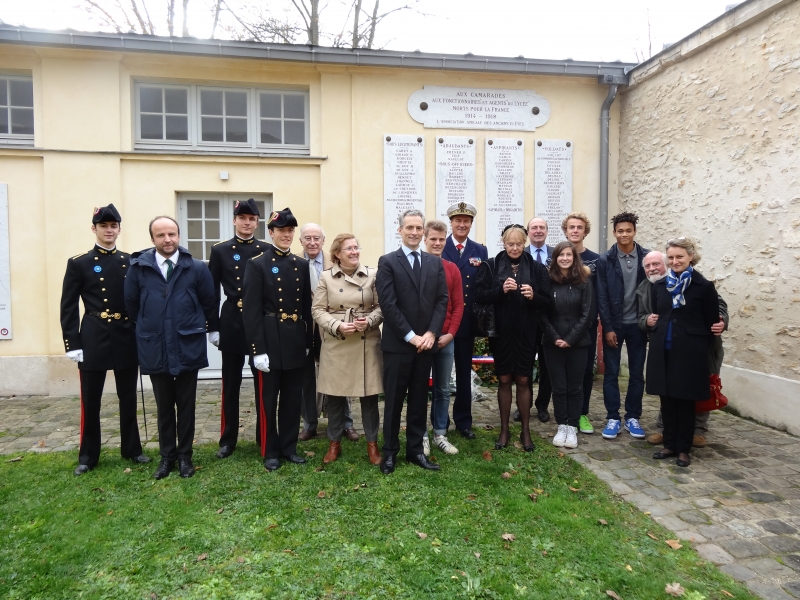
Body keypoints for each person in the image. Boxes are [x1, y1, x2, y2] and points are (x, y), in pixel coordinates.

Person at [125, 216, 219, 480]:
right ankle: (167, 457)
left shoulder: (197, 268)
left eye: (172, 234)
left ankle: (185, 456)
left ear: (179, 236)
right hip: (155, 345)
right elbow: (132, 305)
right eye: (161, 235)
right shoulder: (139, 268)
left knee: (186, 406)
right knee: (164, 406)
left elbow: (208, 302)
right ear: (152, 239)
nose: (167, 240)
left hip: (186, 343)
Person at [60, 204, 149, 476]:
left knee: (127, 397)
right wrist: (71, 343)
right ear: (94, 229)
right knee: (91, 399)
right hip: (94, 335)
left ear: (119, 229)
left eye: (113, 226)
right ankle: (88, 455)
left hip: (124, 334)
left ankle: (132, 449)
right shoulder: (79, 263)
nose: (109, 230)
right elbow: (68, 306)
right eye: (104, 226)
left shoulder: (129, 262)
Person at [376, 209, 448, 474]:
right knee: (394, 401)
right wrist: (411, 336)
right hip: (398, 345)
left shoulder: (434, 263)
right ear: (400, 230)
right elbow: (388, 303)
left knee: (419, 400)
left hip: (426, 345)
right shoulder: (388, 262)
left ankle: (416, 451)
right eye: (410, 228)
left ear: (424, 232)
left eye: (419, 228)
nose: (415, 232)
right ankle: (390, 453)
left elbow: (442, 300)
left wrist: (431, 333)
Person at [242, 207, 312, 472]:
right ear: (270, 233)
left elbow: (306, 306)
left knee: (294, 398)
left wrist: (308, 341)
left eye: (290, 231)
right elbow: (250, 311)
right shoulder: (257, 264)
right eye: (281, 230)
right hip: (269, 339)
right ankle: (270, 450)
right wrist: (257, 349)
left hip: (294, 338)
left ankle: (289, 447)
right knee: (268, 399)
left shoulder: (301, 264)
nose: (287, 235)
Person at [637, 250, 728, 448]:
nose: (652, 269)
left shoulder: (694, 282)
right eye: (648, 266)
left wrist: (722, 322)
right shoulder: (648, 287)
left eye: (656, 264)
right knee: (668, 390)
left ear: (666, 264)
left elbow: (717, 306)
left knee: (696, 388)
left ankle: (698, 430)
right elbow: (643, 315)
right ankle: (666, 431)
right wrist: (647, 320)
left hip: (696, 346)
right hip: (666, 345)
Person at [474, 224, 551, 452]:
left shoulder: (537, 269)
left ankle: (526, 430)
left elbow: (548, 302)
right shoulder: (491, 265)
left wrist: (533, 296)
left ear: (525, 243)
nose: (515, 248)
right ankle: (504, 429)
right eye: (510, 244)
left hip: (527, 332)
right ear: (503, 243)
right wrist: (501, 290)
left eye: (519, 244)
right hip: (501, 332)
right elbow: (479, 295)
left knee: (524, 380)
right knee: (505, 379)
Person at [312, 234, 384, 465]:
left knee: (369, 396)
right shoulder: (326, 278)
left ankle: (372, 445)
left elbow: (382, 306)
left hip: (366, 340)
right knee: (334, 395)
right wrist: (337, 325)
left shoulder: (372, 275)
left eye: (356, 247)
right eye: (349, 249)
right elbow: (318, 310)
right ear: (337, 254)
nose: (354, 252)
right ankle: (334, 444)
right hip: (338, 341)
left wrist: (370, 320)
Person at [207, 198, 266, 459]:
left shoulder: (266, 249)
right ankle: (228, 439)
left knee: (262, 382)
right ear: (234, 221)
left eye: (252, 219)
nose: (247, 223)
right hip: (231, 319)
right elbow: (211, 291)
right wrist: (212, 326)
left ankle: (263, 435)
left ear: (257, 222)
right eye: (242, 218)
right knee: (230, 383)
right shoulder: (220, 250)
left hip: (258, 322)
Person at [298, 223, 358, 442]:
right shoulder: (294, 262)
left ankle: (347, 423)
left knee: (340, 373)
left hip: (333, 327)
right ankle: (310, 423)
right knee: (306, 377)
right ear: (301, 241)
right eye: (307, 238)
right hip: (304, 329)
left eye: (316, 238)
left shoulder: (337, 263)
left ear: (323, 241)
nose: (312, 242)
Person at [596, 212, 650, 440]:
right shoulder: (605, 259)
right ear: (614, 233)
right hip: (615, 325)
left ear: (634, 231)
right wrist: (607, 327)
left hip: (639, 325)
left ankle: (632, 416)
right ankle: (612, 417)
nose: (624, 234)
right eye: (620, 231)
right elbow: (602, 297)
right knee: (612, 373)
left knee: (637, 373)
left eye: (628, 230)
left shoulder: (647, 258)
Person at [441, 202, 488, 441]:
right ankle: (440, 420)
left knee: (462, 373)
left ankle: (463, 421)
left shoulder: (480, 250)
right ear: (451, 223)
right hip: (443, 321)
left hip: (467, 322)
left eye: (466, 221)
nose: (462, 224)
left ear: (471, 223)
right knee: (440, 374)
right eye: (457, 220)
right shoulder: (440, 246)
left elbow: (482, 287)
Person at [540, 242, 593, 449]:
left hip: (578, 343)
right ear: (555, 258)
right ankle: (561, 424)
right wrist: (555, 337)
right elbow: (542, 313)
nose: (564, 258)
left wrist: (570, 339)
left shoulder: (584, 281)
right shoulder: (548, 281)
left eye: (568, 255)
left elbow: (587, 314)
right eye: (560, 255)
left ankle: (572, 427)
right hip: (552, 343)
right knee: (559, 387)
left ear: (574, 257)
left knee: (575, 387)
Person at [422, 220, 464, 456]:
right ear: (425, 239)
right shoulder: (417, 266)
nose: (438, 243)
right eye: (433, 239)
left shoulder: (452, 269)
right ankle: (421, 435)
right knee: (419, 388)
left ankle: (440, 432)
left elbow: (458, 305)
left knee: (443, 388)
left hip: (446, 339)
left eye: (441, 239)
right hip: (422, 339)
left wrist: (450, 334)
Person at [561, 212, 601, 435]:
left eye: (579, 227)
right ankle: (563, 413)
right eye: (571, 227)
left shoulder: (596, 260)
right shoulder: (557, 256)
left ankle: (582, 413)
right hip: (561, 325)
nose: (575, 230)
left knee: (584, 371)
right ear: (565, 230)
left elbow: (600, 293)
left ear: (585, 231)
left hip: (586, 326)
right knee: (561, 372)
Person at [521, 216, 553, 424]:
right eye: (534, 228)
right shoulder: (519, 255)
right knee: (524, 367)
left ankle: (542, 405)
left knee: (546, 366)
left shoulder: (556, 255)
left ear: (547, 231)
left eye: (542, 227)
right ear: (528, 232)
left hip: (548, 320)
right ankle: (523, 406)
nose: (538, 231)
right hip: (525, 320)